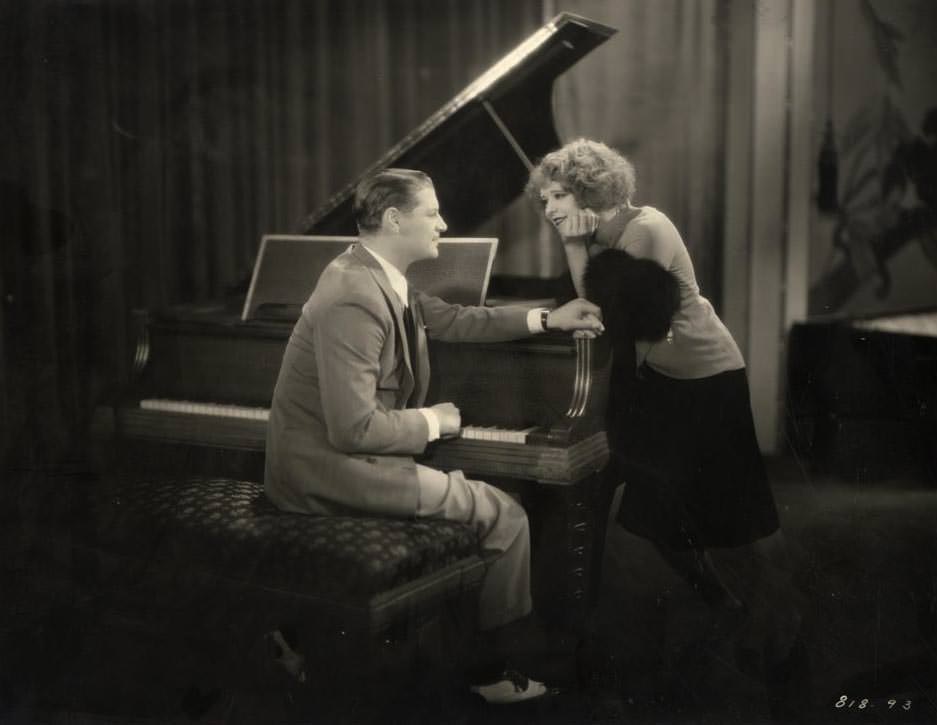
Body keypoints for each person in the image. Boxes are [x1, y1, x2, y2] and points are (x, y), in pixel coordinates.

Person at [264, 167, 604, 704]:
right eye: (432, 212)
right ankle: (487, 672)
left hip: (342, 461)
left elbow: (459, 320)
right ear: (395, 219)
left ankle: (426, 650)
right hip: (325, 472)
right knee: (506, 517)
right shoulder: (355, 295)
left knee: (487, 506)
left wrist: (548, 318)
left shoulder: (377, 276)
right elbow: (352, 428)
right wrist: (433, 422)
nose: (444, 224)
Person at [527, 139, 796, 636]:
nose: (549, 208)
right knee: (659, 514)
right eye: (545, 199)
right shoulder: (607, 236)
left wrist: (570, 246)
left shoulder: (644, 229)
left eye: (559, 196)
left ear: (589, 189)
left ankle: (784, 619)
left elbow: (603, 316)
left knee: (743, 512)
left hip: (705, 379)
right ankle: (723, 605)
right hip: (660, 383)